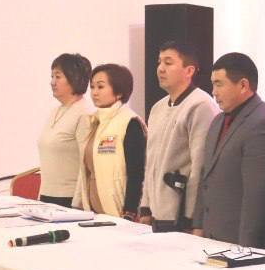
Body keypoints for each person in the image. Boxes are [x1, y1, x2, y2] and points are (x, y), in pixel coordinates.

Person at [192, 52, 265, 246]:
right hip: (210, 236)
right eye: (213, 84)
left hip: (237, 241)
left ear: (243, 85)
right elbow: (205, 176)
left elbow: (257, 196)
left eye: (219, 84)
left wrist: (246, 247)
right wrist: (198, 225)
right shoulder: (218, 121)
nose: (214, 92)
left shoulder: (263, 124)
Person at [138, 41, 218, 232]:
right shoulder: (157, 108)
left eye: (168, 62)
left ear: (189, 70)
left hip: (181, 215)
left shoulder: (201, 105)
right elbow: (151, 162)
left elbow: (200, 166)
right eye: (159, 62)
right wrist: (145, 206)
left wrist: (193, 219)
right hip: (157, 212)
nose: (161, 68)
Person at [74, 64, 146, 218]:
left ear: (119, 92)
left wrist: (130, 211)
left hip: (119, 212)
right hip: (92, 211)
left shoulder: (129, 122)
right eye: (92, 87)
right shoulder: (93, 121)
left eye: (100, 87)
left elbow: (136, 172)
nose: (94, 92)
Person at [37, 53, 94, 207]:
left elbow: (86, 165)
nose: (52, 82)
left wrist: (78, 203)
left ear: (74, 78)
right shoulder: (55, 112)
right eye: (52, 76)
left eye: (58, 76)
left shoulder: (85, 113)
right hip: (47, 196)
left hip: (70, 199)